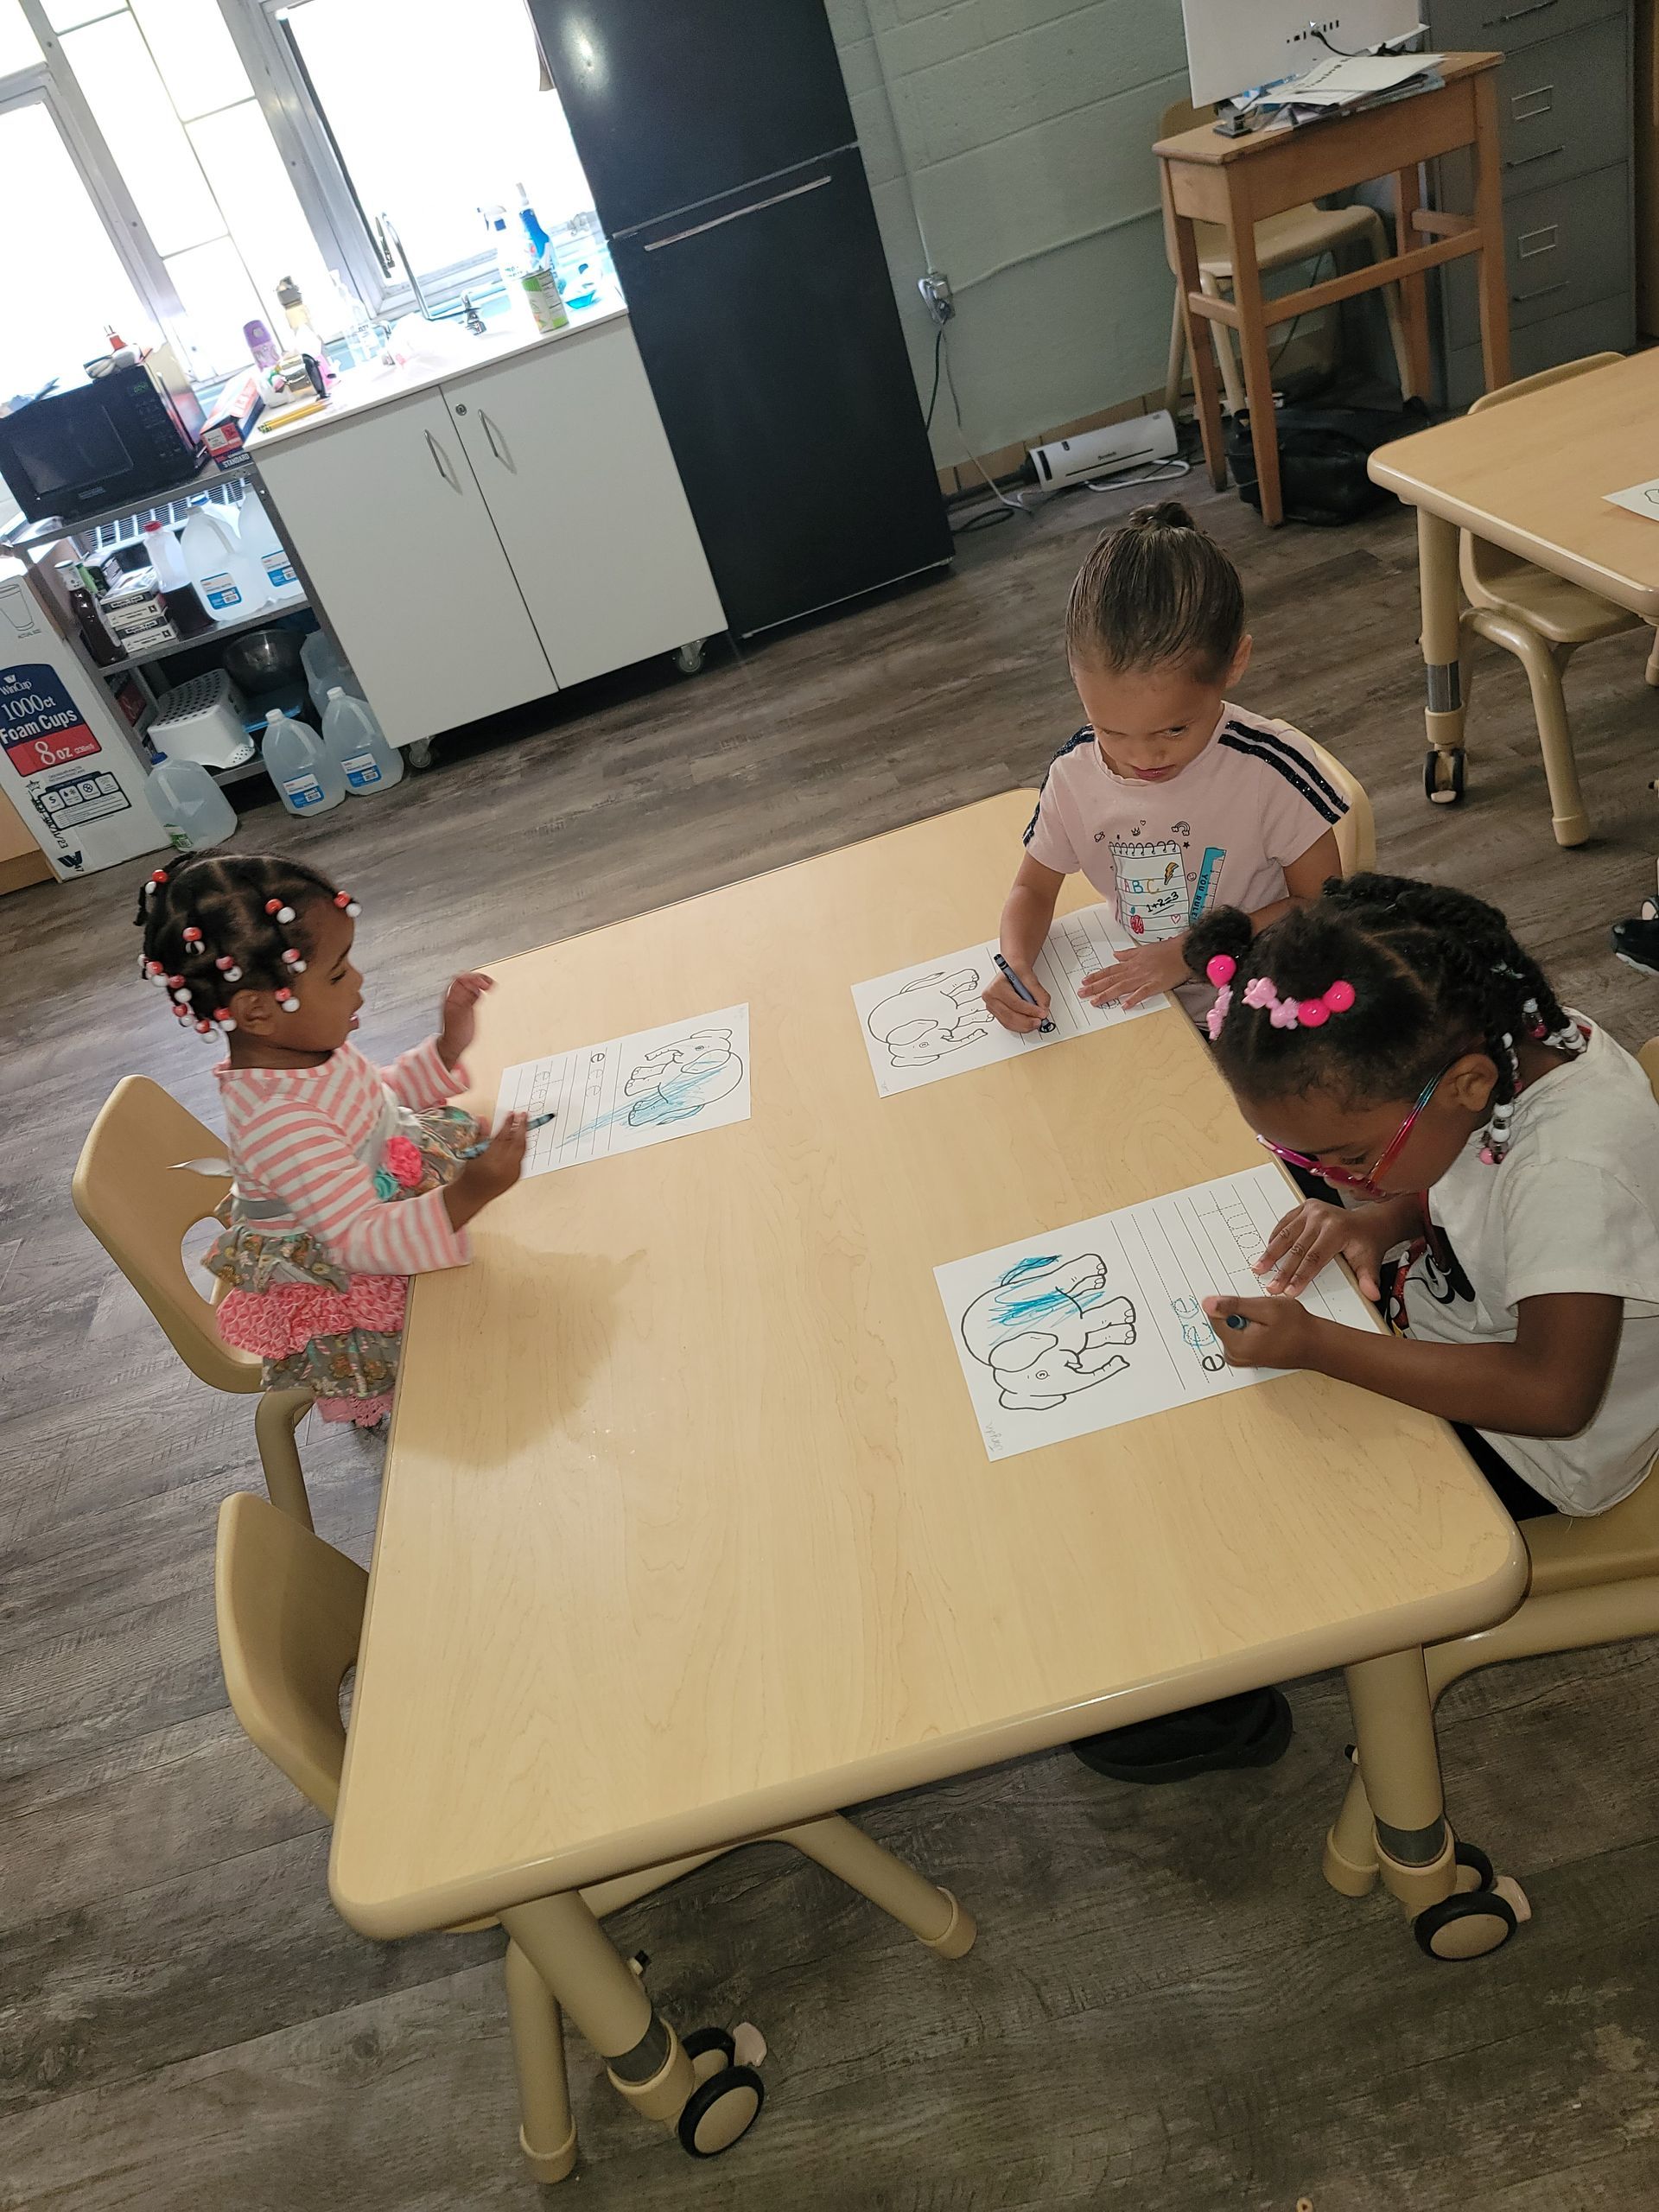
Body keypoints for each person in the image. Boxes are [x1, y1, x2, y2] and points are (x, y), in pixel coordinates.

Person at [1192, 873, 1659, 1522]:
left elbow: (1553, 1396)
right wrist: (1384, 1221)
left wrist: (1320, 1347)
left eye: (1351, 1157)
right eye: (1311, 1157)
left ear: (1469, 1085)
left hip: (1534, 1451)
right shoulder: (1491, 1048)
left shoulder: (1572, 1173)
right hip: (1444, 1337)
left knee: (1261, 1498)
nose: (1332, 1179)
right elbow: (1480, 1184)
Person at [136, 853, 526, 1427]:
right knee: (477, 1365)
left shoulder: (304, 1050)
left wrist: (445, 1049)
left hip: (369, 1213)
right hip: (350, 1274)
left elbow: (375, 1102)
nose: (360, 981)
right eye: (339, 973)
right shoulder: (281, 1122)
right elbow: (361, 1239)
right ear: (259, 1011)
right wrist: (471, 1192)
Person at [983, 500, 1345, 1033]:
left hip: (1268, 1016)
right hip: (1152, 1018)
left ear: (1234, 665)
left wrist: (1195, 951)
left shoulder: (1270, 771)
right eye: (1110, 730)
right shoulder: (1074, 774)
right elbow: (1032, 891)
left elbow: (1324, 907)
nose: (1141, 758)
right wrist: (1014, 963)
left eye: (1173, 730)